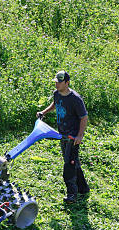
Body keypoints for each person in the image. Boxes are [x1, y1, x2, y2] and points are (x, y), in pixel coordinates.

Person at [36, 70, 90, 204]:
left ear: (67, 82)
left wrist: (80, 135)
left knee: (69, 164)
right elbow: (55, 104)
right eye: (56, 82)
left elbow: (84, 117)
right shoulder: (57, 94)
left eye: (59, 82)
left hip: (72, 136)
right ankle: (83, 188)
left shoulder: (75, 99)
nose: (56, 84)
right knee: (73, 161)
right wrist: (44, 112)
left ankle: (72, 194)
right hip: (62, 134)